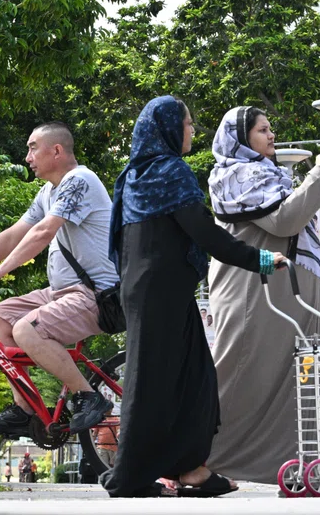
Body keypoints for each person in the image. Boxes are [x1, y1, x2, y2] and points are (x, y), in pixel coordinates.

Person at [99, 96, 285, 499]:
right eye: (186, 123)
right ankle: (130, 476)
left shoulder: (134, 175)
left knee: (190, 380)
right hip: (161, 294)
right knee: (155, 383)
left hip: (151, 290)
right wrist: (260, 259)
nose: (192, 131)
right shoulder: (171, 172)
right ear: (167, 128)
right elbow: (204, 231)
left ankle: (189, 469)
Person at [0, 122, 118, 438]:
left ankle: (88, 396)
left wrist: (0, 270)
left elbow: (43, 232)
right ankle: (24, 408)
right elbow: (13, 234)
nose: (27, 157)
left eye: (32, 148)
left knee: (27, 329)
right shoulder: (48, 192)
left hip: (95, 294)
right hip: (62, 292)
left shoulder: (79, 181)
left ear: (56, 151)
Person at [206, 106, 320, 484]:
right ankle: (192, 456)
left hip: (284, 288)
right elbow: (285, 220)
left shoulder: (266, 173)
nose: (271, 135)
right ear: (241, 138)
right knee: (241, 374)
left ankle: (292, 465)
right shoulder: (237, 175)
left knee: (293, 377)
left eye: (270, 129)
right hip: (254, 290)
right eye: (262, 130)